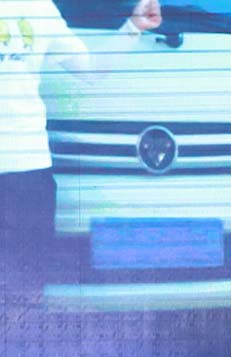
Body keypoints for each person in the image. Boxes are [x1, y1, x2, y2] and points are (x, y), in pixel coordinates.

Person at [0, 0, 162, 304]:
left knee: (26, 293)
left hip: (28, 173)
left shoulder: (38, 8)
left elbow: (90, 69)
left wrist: (133, 27)